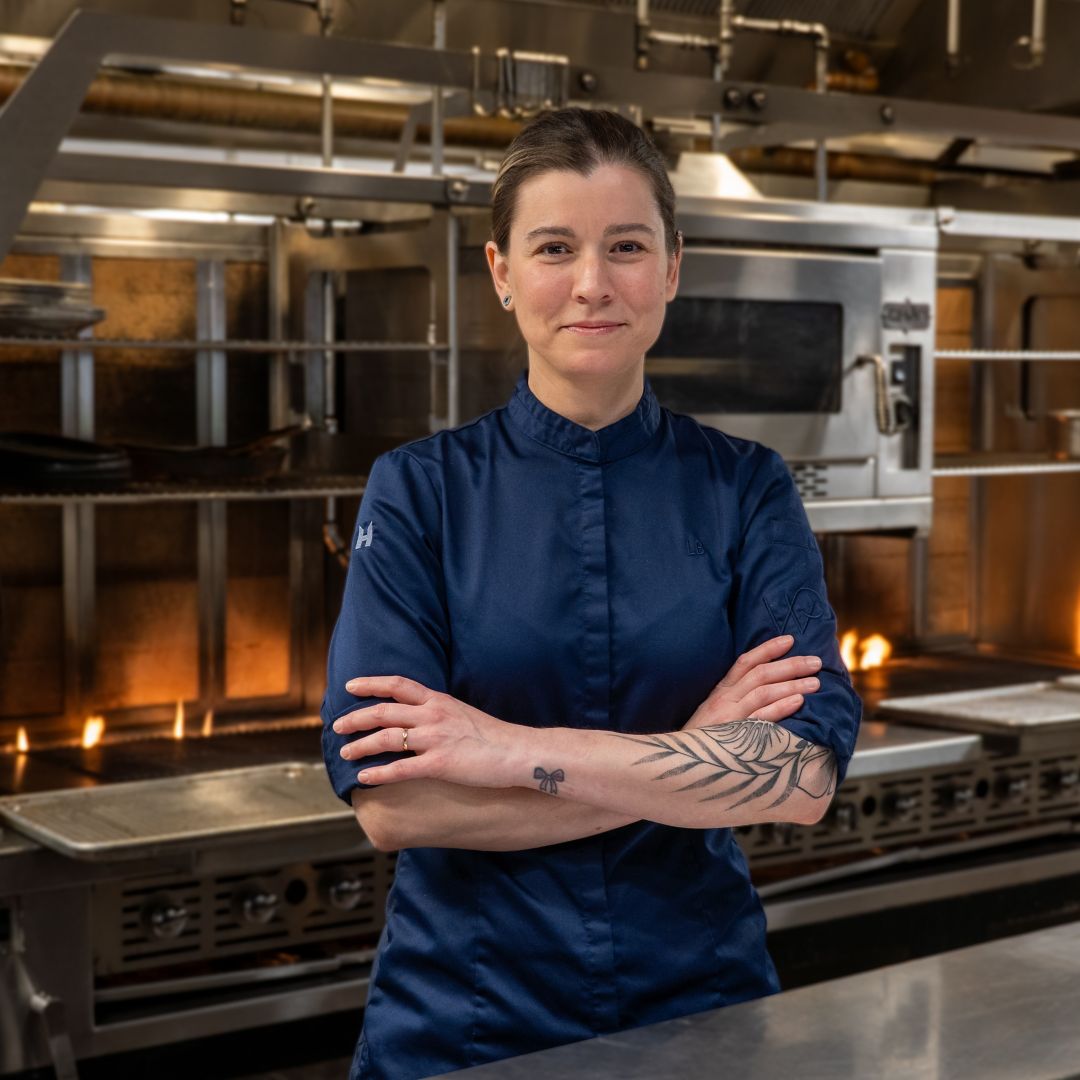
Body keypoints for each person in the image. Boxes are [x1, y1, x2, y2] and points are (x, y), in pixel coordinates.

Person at [320, 106, 862, 1080]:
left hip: (703, 1003)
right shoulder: (419, 490)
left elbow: (800, 778)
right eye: (554, 247)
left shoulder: (746, 487)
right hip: (463, 1017)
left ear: (672, 268)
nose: (590, 284)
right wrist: (692, 755)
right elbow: (396, 809)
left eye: (625, 247)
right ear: (500, 273)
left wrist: (505, 751)